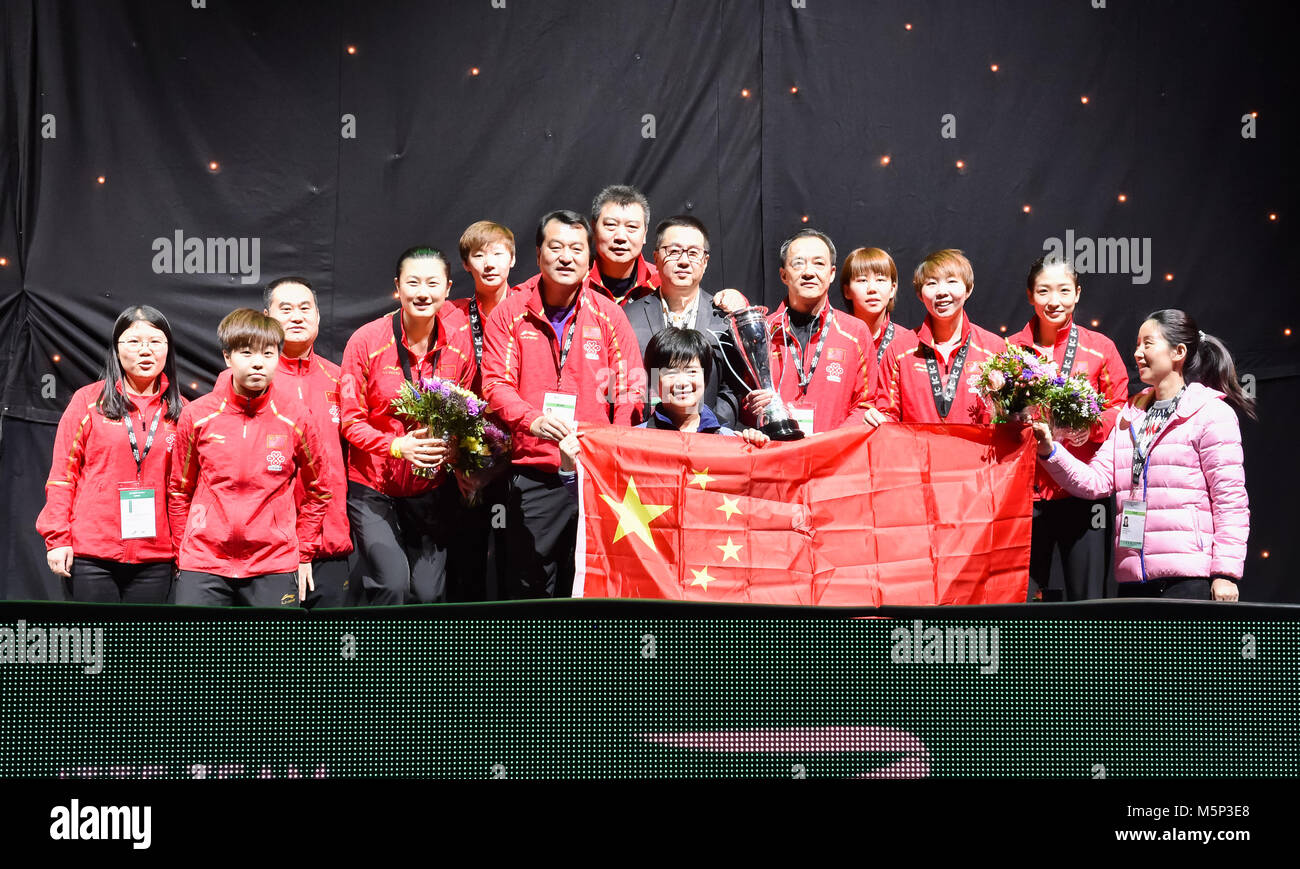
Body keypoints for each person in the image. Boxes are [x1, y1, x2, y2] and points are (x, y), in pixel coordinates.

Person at [1031, 310, 1253, 601]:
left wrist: (1225, 573)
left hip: (1189, 579)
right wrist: (1049, 450)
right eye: (1137, 344)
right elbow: (1095, 481)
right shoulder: (1130, 414)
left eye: (1148, 344)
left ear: (1179, 352)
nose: (1137, 353)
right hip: (1134, 579)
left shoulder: (1211, 413)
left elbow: (1230, 500)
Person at [481, 209, 646, 598]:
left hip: (596, 475)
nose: (566, 257)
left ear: (590, 259)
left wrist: (613, 447)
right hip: (534, 471)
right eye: (555, 247)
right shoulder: (510, 313)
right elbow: (496, 385)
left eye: (576, 248)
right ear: (538, 255)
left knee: (591, 583)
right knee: (532, 583)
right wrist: (532, 421)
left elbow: (629, 389)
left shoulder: (608, 315)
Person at [339, 247, 477, 605]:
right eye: (412, 282)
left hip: (429, 490)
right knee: (393, 584)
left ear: (447, 289)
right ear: (397, 288)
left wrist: (458, 456)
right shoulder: (366, 341)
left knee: (429, 594)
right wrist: (397, 446)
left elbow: (466, 415)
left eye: (432, 283)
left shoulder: (459, 345)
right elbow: (351, 422)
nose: (422, 292)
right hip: (373, 487)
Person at [169, 310, 330, 607]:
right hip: (203, 564)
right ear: (228, 357)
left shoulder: (296, 417)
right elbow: (179, 490)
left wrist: (301, 550)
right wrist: (184, 550)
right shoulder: (198, 415)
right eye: (246, 352)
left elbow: (320, 490)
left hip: (273, 564)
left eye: (268, 353)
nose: (258, 362)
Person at [36, 305, 185, 603]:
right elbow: (63, 477)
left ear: (167, 349)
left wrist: (183, 551)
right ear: (117, 349)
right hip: (91, 554)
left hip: (155, 557)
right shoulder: (88, 402)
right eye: (133, 341)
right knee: (94, 647)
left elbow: (184, 492)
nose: (146, 350)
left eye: (156, 341)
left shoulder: (182, 412)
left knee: (141, 650)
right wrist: (57, 539)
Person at [1007, 257, 1129, 601]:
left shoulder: (1100, 348)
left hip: (1083, 492)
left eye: (1063, 290)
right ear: (1031, 296)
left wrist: (1088, 429)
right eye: (1043, 291)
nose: (1054, 300)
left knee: (1088, 600)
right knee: (1022, 597)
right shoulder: (1010, 351)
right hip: (1026, 494)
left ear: (1077, 294)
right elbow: (995, 418)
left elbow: (1119, 408)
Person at [558, 327, 768, 478]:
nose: (682, 382)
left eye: (692, 371)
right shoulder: (635, 441)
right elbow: (597, 497)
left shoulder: (731, 441)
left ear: (705, 377)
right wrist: (569, 465)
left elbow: (756, 496)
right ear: (654, 380)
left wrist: (756, 450)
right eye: (671, 372)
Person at [262, 276, 354, 608]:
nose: (297, 316)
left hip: (330, 540)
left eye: (305, 308)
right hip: (269, 548)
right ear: (266, 316)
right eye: (285, 309)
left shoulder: (340, 377)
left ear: (318, 316)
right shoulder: (248, 379)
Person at [744, 229, 879, 436]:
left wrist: (827, 442)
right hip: (775, 456)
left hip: (834, 459)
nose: (808, 272)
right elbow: (743, 401)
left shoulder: (855, 332)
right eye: (798, 263)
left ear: (832, 273)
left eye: (819, 263)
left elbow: (866, 405)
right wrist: (751, 406)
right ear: (783, 275)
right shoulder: (761, 332)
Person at [446, 221, 519, 601]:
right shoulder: (451, 315)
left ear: (512, 259)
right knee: (467, 561)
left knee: (515, 560)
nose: (489, 263)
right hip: (466, 454)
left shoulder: (529, 309)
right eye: (479, 255)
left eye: (497, 253)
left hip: (520, 453)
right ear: (466, 264)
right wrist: (459, 457)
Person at [622, 216, 749, 427]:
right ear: (656, 257)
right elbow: (619, 383)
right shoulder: (628, 316)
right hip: (645, 437)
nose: (683, 261)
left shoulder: (724, 318)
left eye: (693, 253)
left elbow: (732, 387)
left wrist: (712, 429)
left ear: (705, 262)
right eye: (673, 251)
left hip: (707, 440)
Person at [872, 249, 1006, 425]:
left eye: (951, 281)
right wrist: (878, 419)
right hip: (917, 452)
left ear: (968, 288)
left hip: (976, 452)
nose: (942, 291)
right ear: (920, 294)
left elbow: (1007, 418)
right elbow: (888, 416)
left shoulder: (994, 348)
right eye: (932, 283)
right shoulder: (899, 350)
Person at [841, 247, 903, 364]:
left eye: (880, 280)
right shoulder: (834, 338)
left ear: (892, 289)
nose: (872, 289)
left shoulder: (907, 343)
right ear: (847, 291)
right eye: (862, 280)